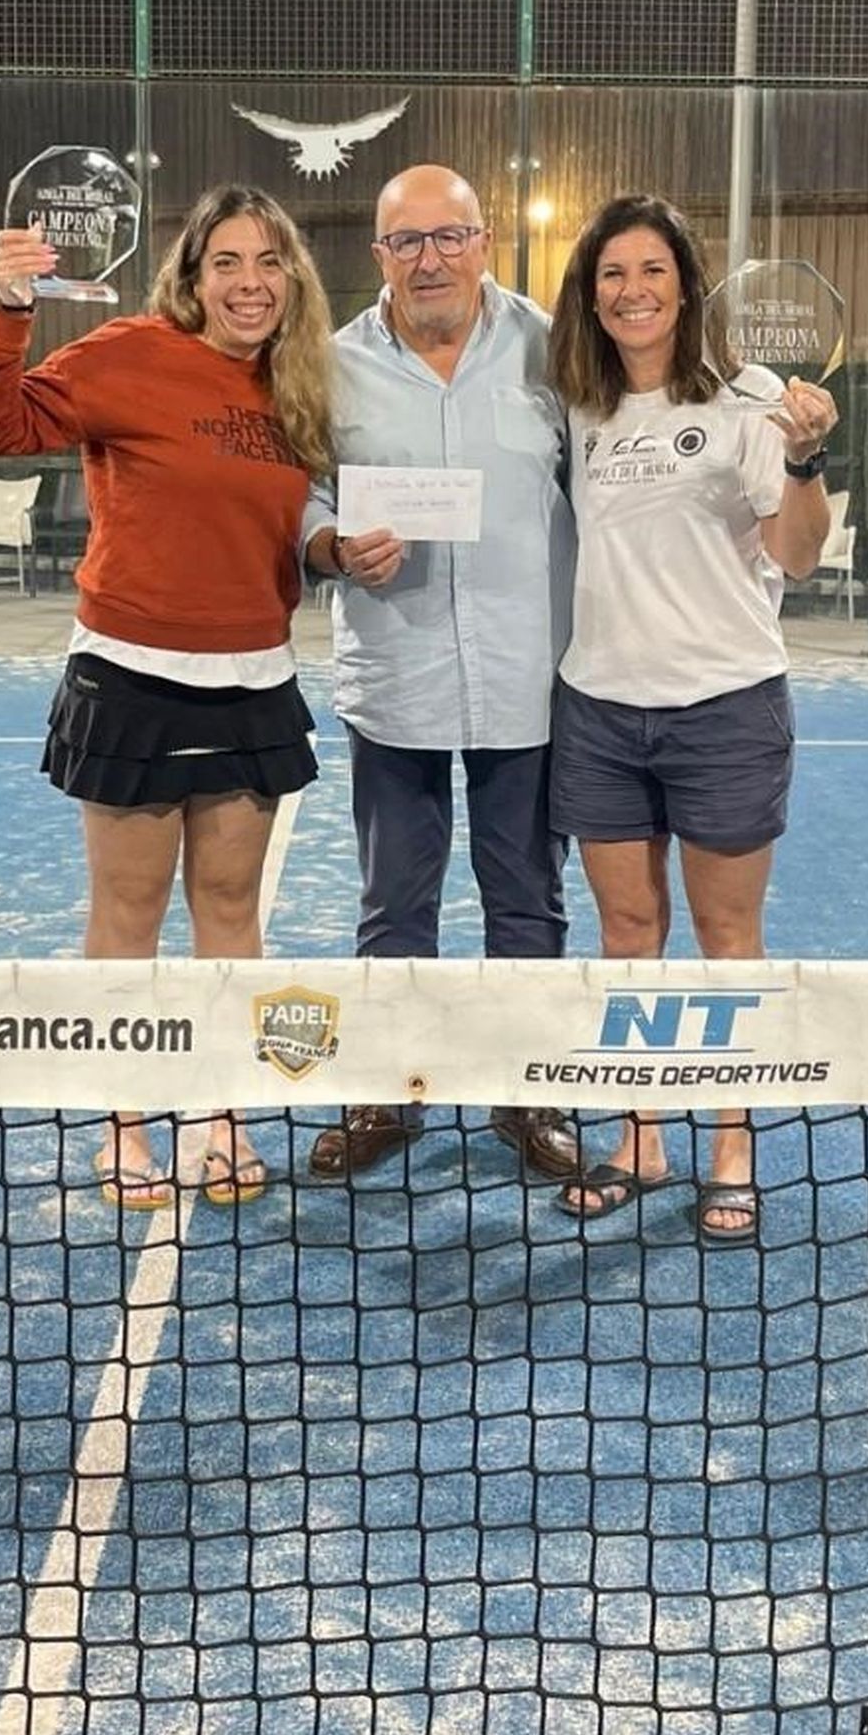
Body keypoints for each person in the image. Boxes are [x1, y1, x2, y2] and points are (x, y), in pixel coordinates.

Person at [0, 184, 334, 1209]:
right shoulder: (124, 354)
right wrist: (13, 307)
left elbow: (311, 522)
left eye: (269, 262)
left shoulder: (303, 387)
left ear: (292, 276)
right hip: (128, 680)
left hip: (252, 683)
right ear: (192, 275)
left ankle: (220, 1115)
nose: (249, 283)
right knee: (126, 913)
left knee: (228, 915)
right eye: (227, 262)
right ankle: (125, 1122)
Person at [545, 193, 838, 1242]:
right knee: (628, 933)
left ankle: (730, 1146)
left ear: (686, 285)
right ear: (591, 294)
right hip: (599, 712)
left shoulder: (755, 402)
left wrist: (804, 461)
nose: (631, 291)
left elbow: (796, 556)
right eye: (611, 273)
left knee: (725, 936)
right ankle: (642, 1133)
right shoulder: (576, 403)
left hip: (725, 709)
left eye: (651, 271)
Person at [299, 162, 579, 1185]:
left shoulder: (557, 347)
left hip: (529, 686)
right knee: (393, 906)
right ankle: (386, 1088)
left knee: (527, 904)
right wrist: (329, 544)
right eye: (406, 242)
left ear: (483, 241)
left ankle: (527, 1091)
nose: (429, 260)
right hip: (396, 681)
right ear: (378, 256)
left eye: (447, 238)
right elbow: (297, 492)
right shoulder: (328, 365)